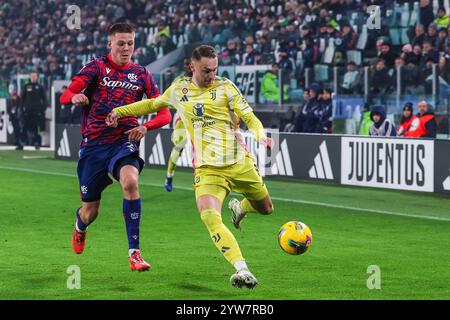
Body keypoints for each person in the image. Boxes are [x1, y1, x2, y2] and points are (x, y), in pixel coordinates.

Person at [106, 45, 274, 288]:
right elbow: (152, 104)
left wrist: (260, 135)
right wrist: (119, 112)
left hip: (239, 163)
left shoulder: (226, 88)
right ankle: (242, 269)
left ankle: (240, 209)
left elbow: (250, 118)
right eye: (206, 70)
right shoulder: (179, 90)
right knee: (210, 217)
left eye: (215, 70)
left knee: (267, 208)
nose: (211, 75)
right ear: (192, 66)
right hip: (208, 170)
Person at [59, 23, 172, 271]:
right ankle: (80, 226)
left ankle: (135, 254)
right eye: (121, 43)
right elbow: (65, 95)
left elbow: (165, 114)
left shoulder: (141, 75)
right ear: (110, 44)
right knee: (90, 211)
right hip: (94, 147)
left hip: (124, 140)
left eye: (130, 43)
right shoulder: (96, 67)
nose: (126, 48)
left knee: (130, 182)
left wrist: (146, 127)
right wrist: (75, 97)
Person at [20, 71, 47, 150]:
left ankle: (37, 143)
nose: (33, 78)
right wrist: (21, 109)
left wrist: (42, 109)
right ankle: (21, 143)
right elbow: (22, 99)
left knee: (36, 128)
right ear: (29, 77)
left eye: (35, 76)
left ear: (37, 77)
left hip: (37, 111)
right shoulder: (26, 86)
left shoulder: (40, 87)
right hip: (27, 111)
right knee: (24, 127)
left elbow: (44, 99)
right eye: (32, 76)